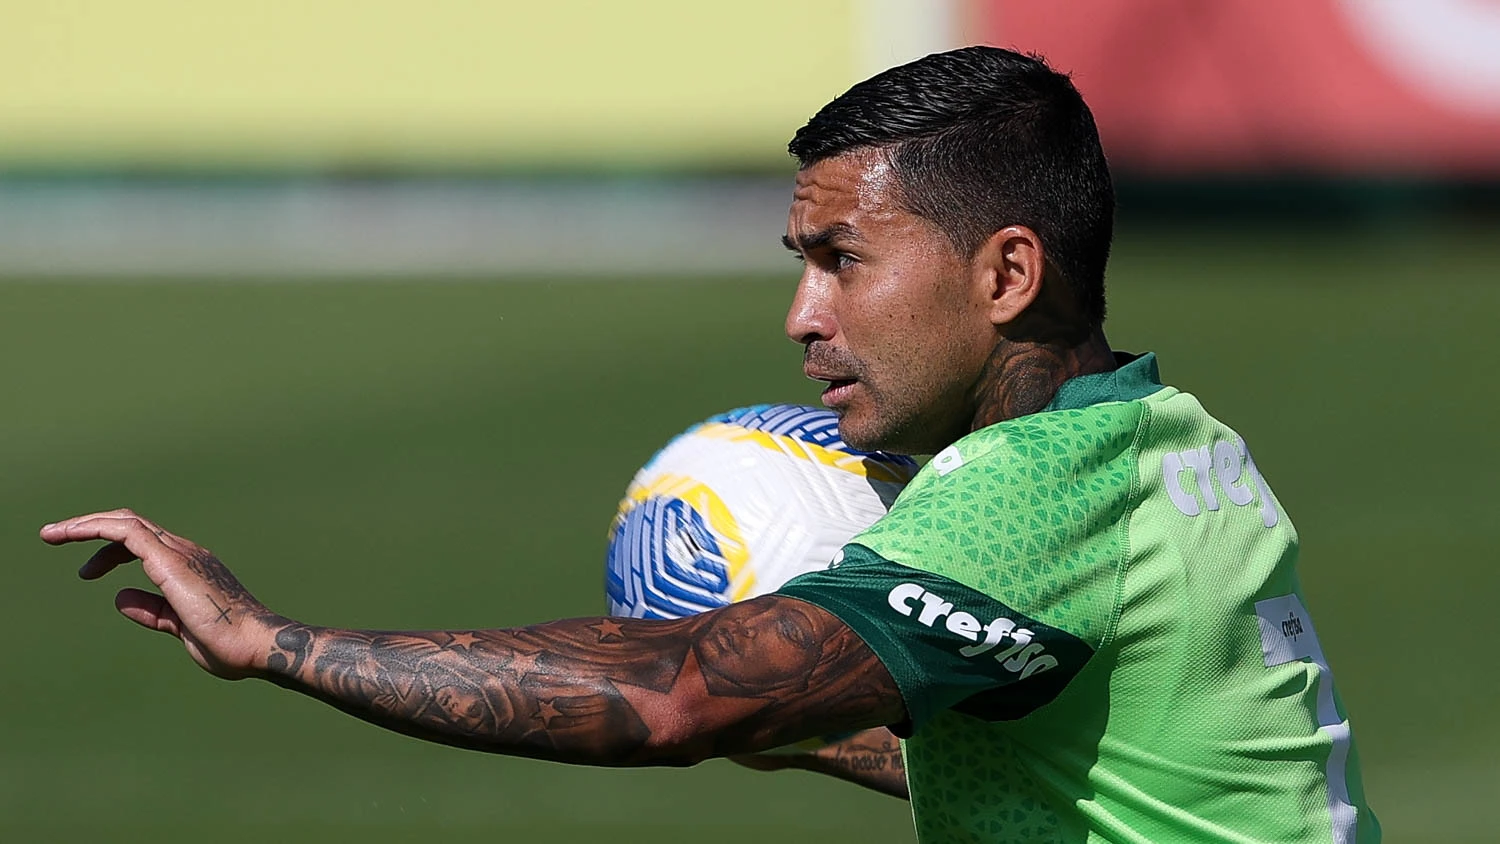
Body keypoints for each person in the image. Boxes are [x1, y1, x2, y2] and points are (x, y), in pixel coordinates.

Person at [43, 46, 1379, 842]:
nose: (802, 317)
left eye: (842, 261)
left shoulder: (1027, 498)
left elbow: (679, 696)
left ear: (1008, 273)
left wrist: (277, 644)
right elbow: (1081, 763)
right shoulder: (1156, 433)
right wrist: (811, 720)